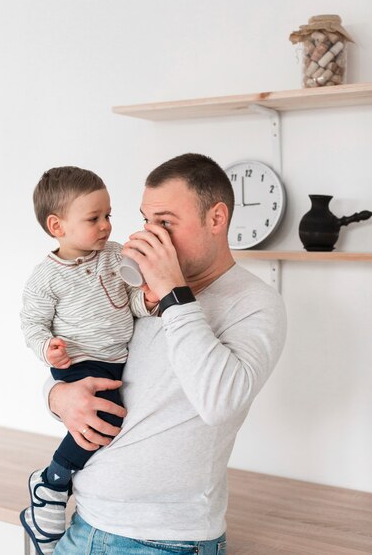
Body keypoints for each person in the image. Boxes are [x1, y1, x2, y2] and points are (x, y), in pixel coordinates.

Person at [46, 153, 287, 555]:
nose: (151, 235)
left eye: (166, 223)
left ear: (216, 218)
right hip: (84, 524)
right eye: (146, 221)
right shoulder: (134, 293)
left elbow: (219, 402)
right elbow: (82, 357)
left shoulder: (255, 303)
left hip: (166, 542)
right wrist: (57, 397)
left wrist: (175, 293)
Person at [19, 166, 158, 555]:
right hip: (79, 361)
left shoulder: (115, 256)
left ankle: (58, 481)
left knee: (111, 422)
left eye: (108, 215)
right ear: (57, 225)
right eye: (94, 218)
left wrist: (145, 303)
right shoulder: (46, 277)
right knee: (105, 415)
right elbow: (32, 322)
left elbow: (128, 301)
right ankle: (51, 482)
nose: (105, 226)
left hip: (115, 359)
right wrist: (47, 347)